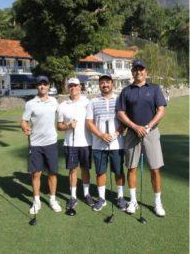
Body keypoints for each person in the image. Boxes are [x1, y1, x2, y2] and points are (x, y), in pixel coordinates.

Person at [117, 59, 166, 217]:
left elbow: (161, 111)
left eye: (141, 69)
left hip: (150, 133)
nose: (138, 72)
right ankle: (133, 201)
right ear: (132, 72)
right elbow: (120, 113)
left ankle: (157, 202)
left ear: (146, 72)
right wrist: (135, 127)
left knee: (155, 169)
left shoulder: (155, 88)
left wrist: (147, 126)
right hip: (132, 133)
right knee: (131, 168)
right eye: (136, 70)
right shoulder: (126, 91)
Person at [21, 75, 62, 215]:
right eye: (40, 84)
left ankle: (52, 199)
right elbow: (24, 120)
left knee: (52, 173)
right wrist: (25, 127)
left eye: (45, 84)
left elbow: (62, 114)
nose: (42, 86)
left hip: (51, 142)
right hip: (36, 144)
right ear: (37, 86)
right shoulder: (31, 103)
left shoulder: (54, 101)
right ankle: (36, 201)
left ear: (49, 86)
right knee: (36, 174)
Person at [86, 74, 127, 212]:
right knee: (100, 172)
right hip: (98, 144)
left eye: (107, 82)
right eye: (102, 83)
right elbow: (89, 122)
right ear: (99, 85)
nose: (105, 85)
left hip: (117, 144)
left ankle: (120, 197)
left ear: (112, 84)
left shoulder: (119, 100)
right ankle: (101, 198)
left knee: (118, 171)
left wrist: (115, 134)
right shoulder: (92, 102)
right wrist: (101, 135)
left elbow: (124, 121)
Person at [57, 78, 94, 210]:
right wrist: (67, 125)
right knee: (73, 170)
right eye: (70, 86)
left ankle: (86, 194)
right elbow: (59, 126)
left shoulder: (88, 103)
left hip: (86, 142)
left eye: (75, 86)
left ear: (80, 87)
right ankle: (73, 197)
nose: (73, 88)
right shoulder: (62, 105)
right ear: (68, 88)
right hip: (70, 143)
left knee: (85, 168)